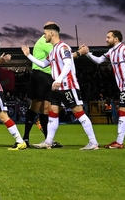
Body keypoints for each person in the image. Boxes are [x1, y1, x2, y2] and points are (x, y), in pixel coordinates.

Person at [22, 22, 98, 150]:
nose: (44, 36)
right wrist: (28, 55)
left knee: (78, 112)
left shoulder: (63, 47)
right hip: (57, 88)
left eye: (45, 33)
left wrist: (59, 79)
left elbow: (68, 64)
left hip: (67, 85)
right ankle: (48, 141)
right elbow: (42, 64)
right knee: (53, 113)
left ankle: (93, 142)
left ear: (52, 33)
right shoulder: (53, 50)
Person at [21, 21, 60, 148]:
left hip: (47, 77)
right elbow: (58, 56)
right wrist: (78, 54)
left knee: (45, 109)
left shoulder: (48, 42)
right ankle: (25, 138)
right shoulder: (45, 42)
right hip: (40, 76)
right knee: (35, 106)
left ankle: (47, 140)